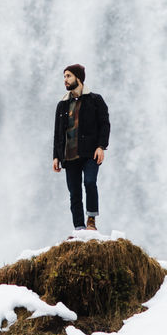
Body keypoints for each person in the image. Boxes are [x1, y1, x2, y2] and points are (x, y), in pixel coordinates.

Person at [52, 64, 110, 234]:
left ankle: (91, 220)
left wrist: (101, 147)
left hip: (90, 152)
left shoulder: (95, 100)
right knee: (74, 193)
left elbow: (104, 124)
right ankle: (79, 228)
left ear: (78, 78)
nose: (65, 80)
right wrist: (56, 156)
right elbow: (57, 133)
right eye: (64, 77)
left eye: (68, 76)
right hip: (69, 156)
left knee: (90, 182)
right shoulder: (62, 105)